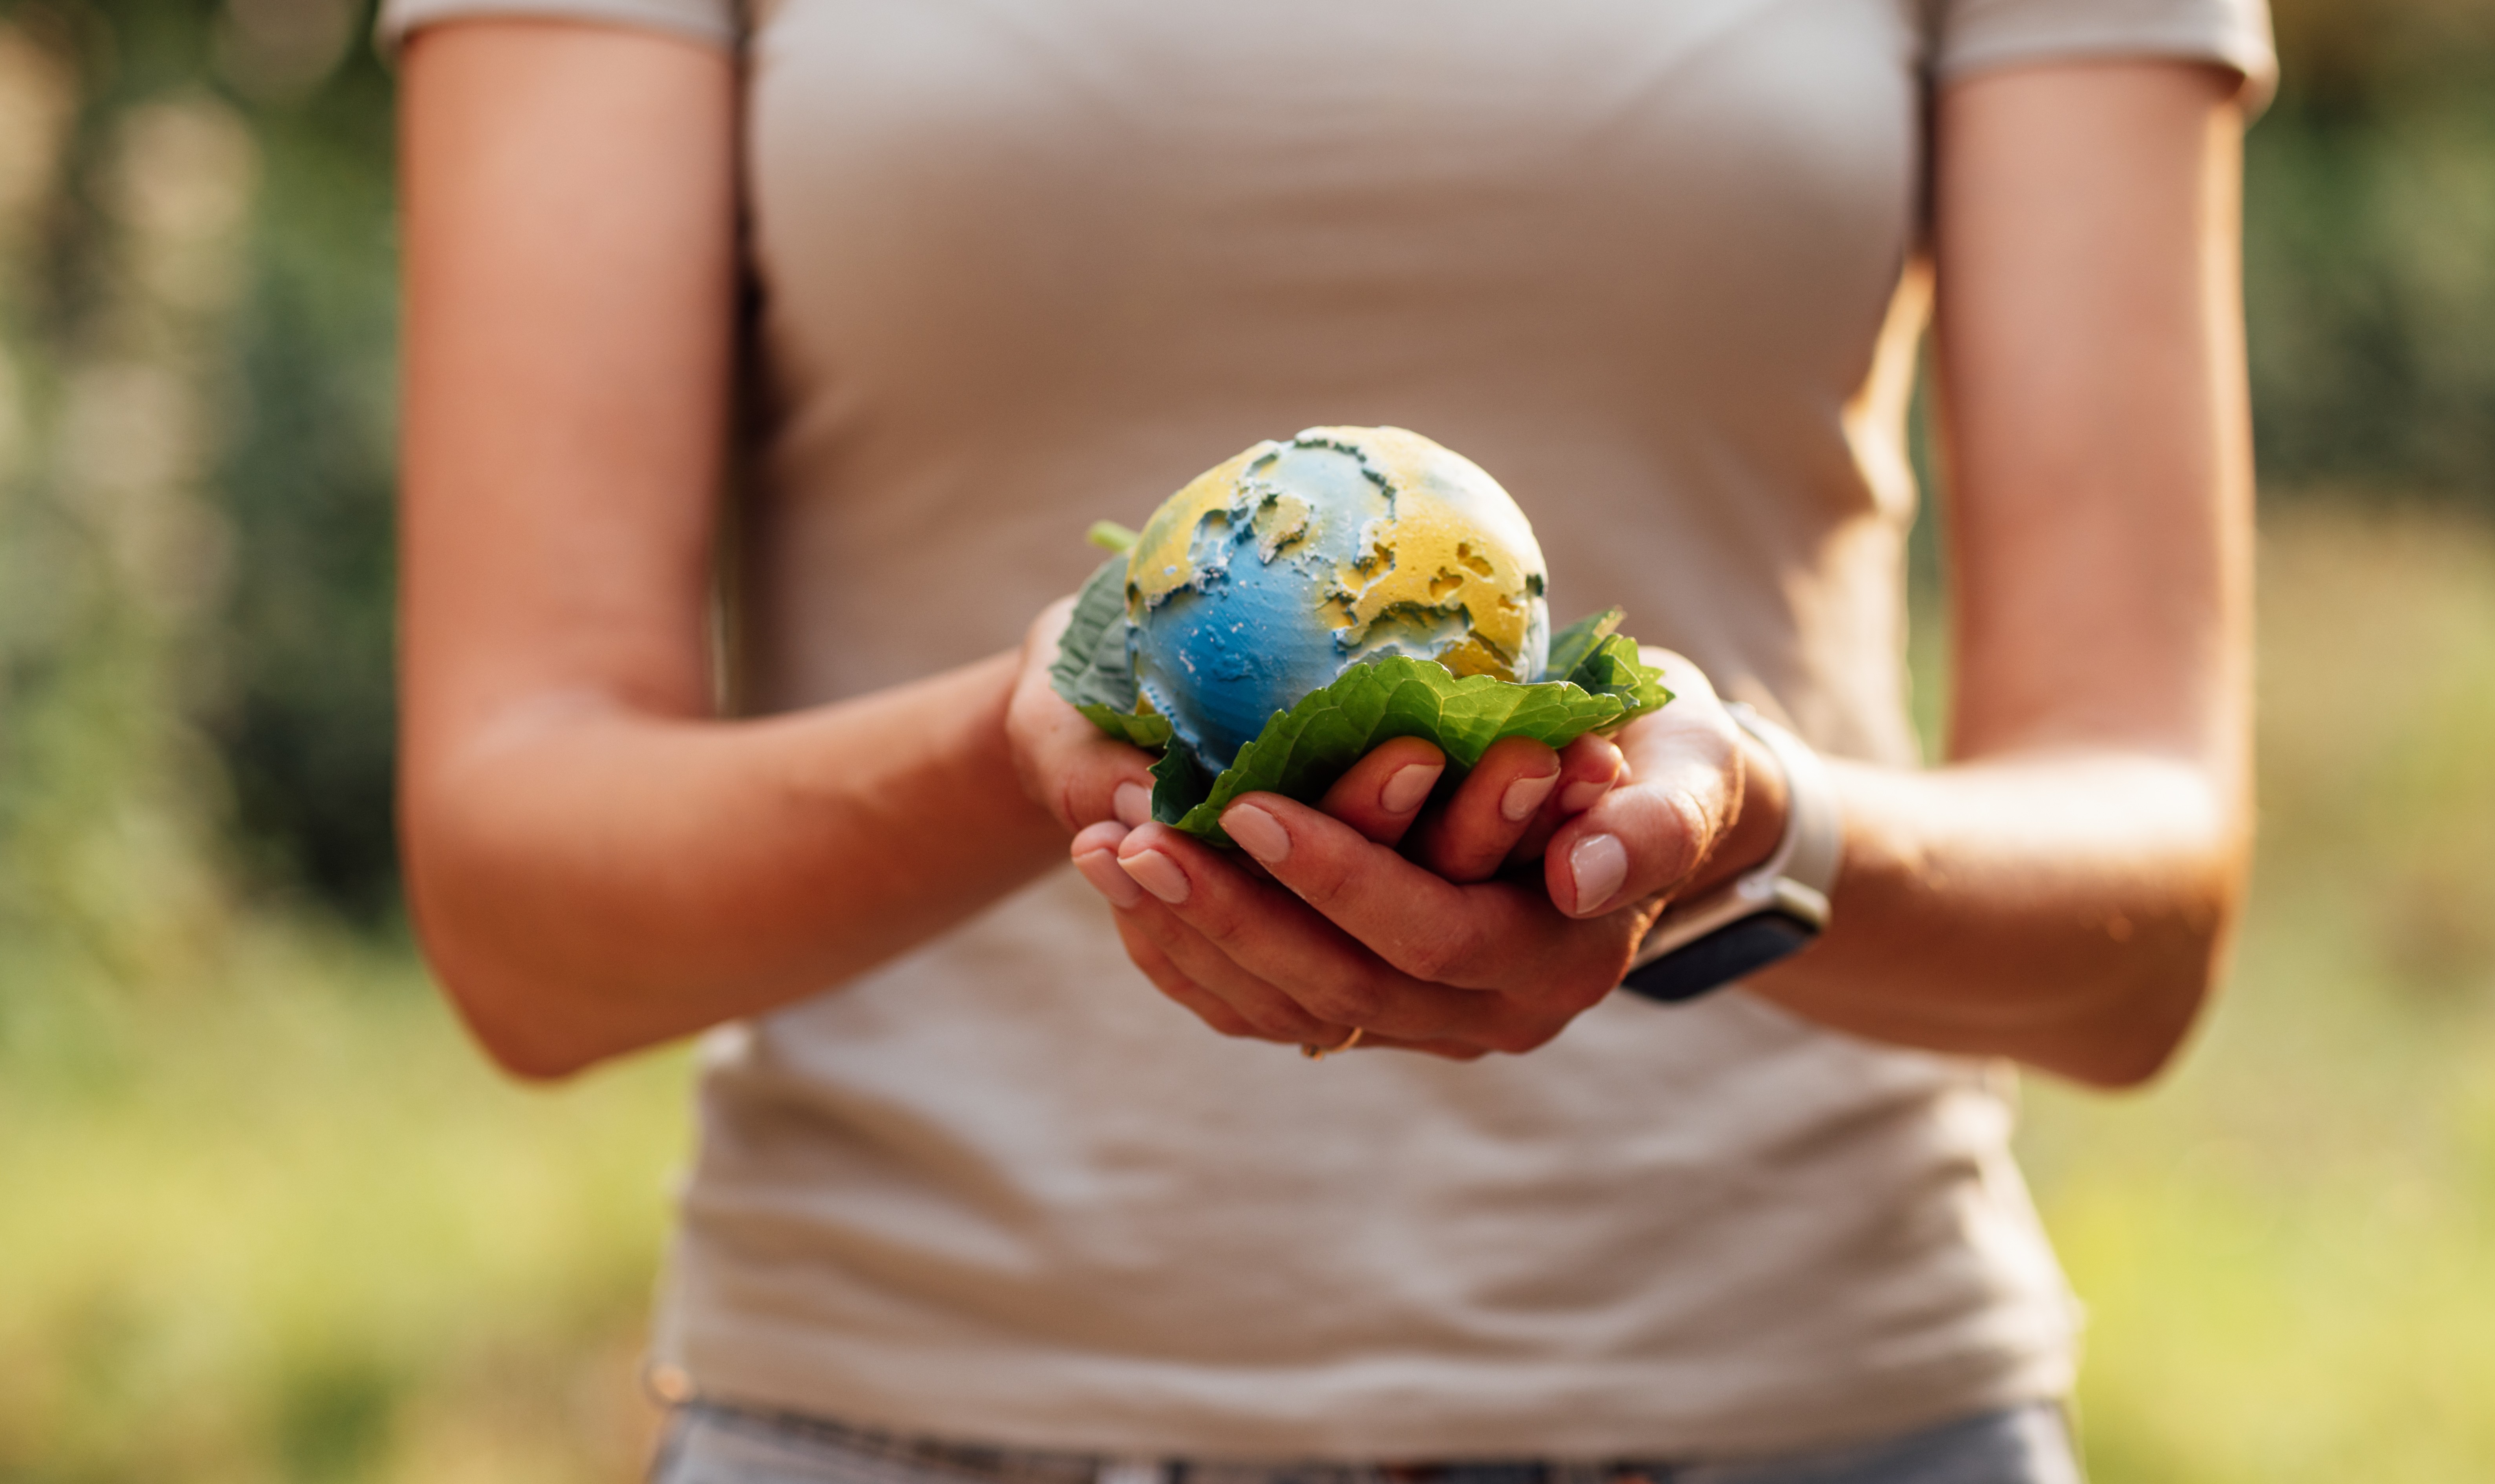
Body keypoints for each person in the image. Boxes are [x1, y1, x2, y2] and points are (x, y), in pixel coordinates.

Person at [387, 0, 2271, 1478]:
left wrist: (1749, 841)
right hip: (896, 1423)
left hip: (1820, 1413)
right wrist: (1010, 748)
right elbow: (515, 920)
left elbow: (2143, 925)